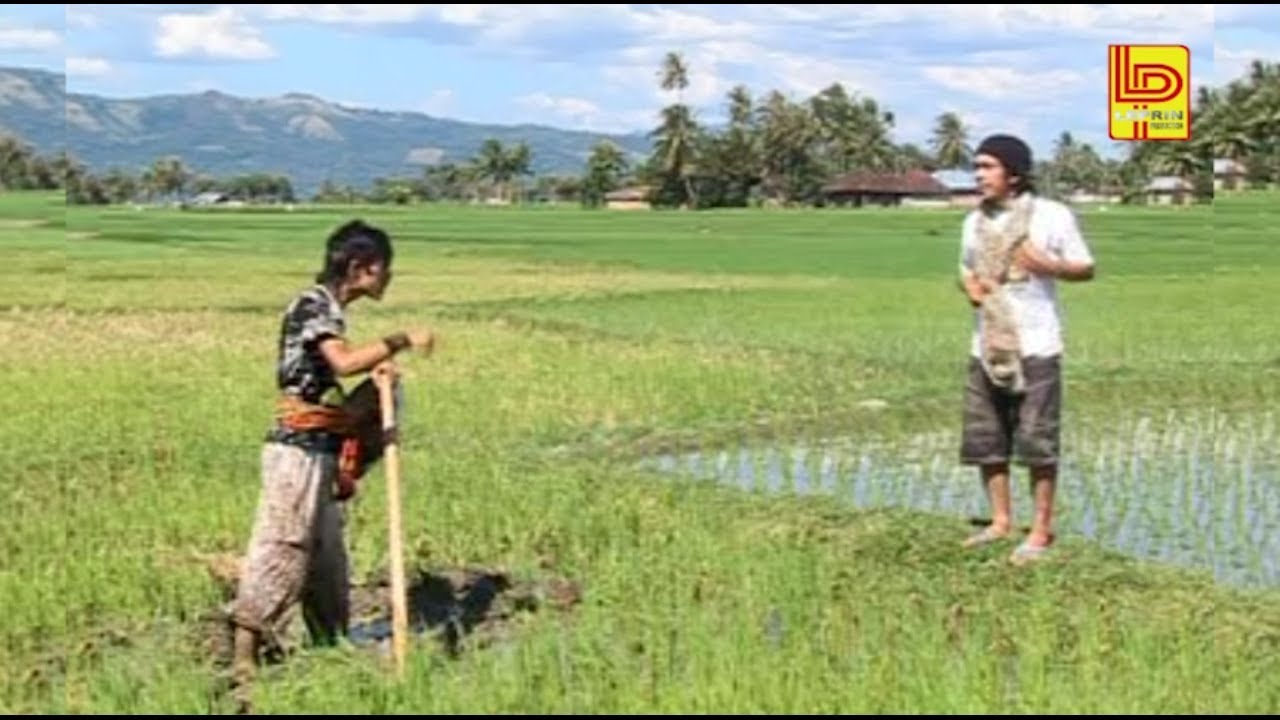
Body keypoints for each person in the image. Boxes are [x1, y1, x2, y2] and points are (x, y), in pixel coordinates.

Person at [228, 219, 435, 707]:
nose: (389, 279)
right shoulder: (314, 304)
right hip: (295, 453)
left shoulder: (331, 309)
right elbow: (342, 363)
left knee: (326, 563)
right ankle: (243, 657)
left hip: (318, 452)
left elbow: (339, 374)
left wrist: (378, 377)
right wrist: (399, 339)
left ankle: (330, 648)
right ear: (363, 268)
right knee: (283, 545)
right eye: (386, 270)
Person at [956, 134, 1096, 564]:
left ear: (1013, 173)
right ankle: (1000, 522)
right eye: (977, 167)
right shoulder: (973, 221)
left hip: (1036, 344)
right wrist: (971, 288)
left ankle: (1040, 531)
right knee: (987, 438)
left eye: (987, 167)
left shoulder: (1052, 216)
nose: (979, 175)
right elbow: (964, 267)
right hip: (986, 346)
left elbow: (1086, 268)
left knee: (1037, 440)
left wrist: (1049, 267)